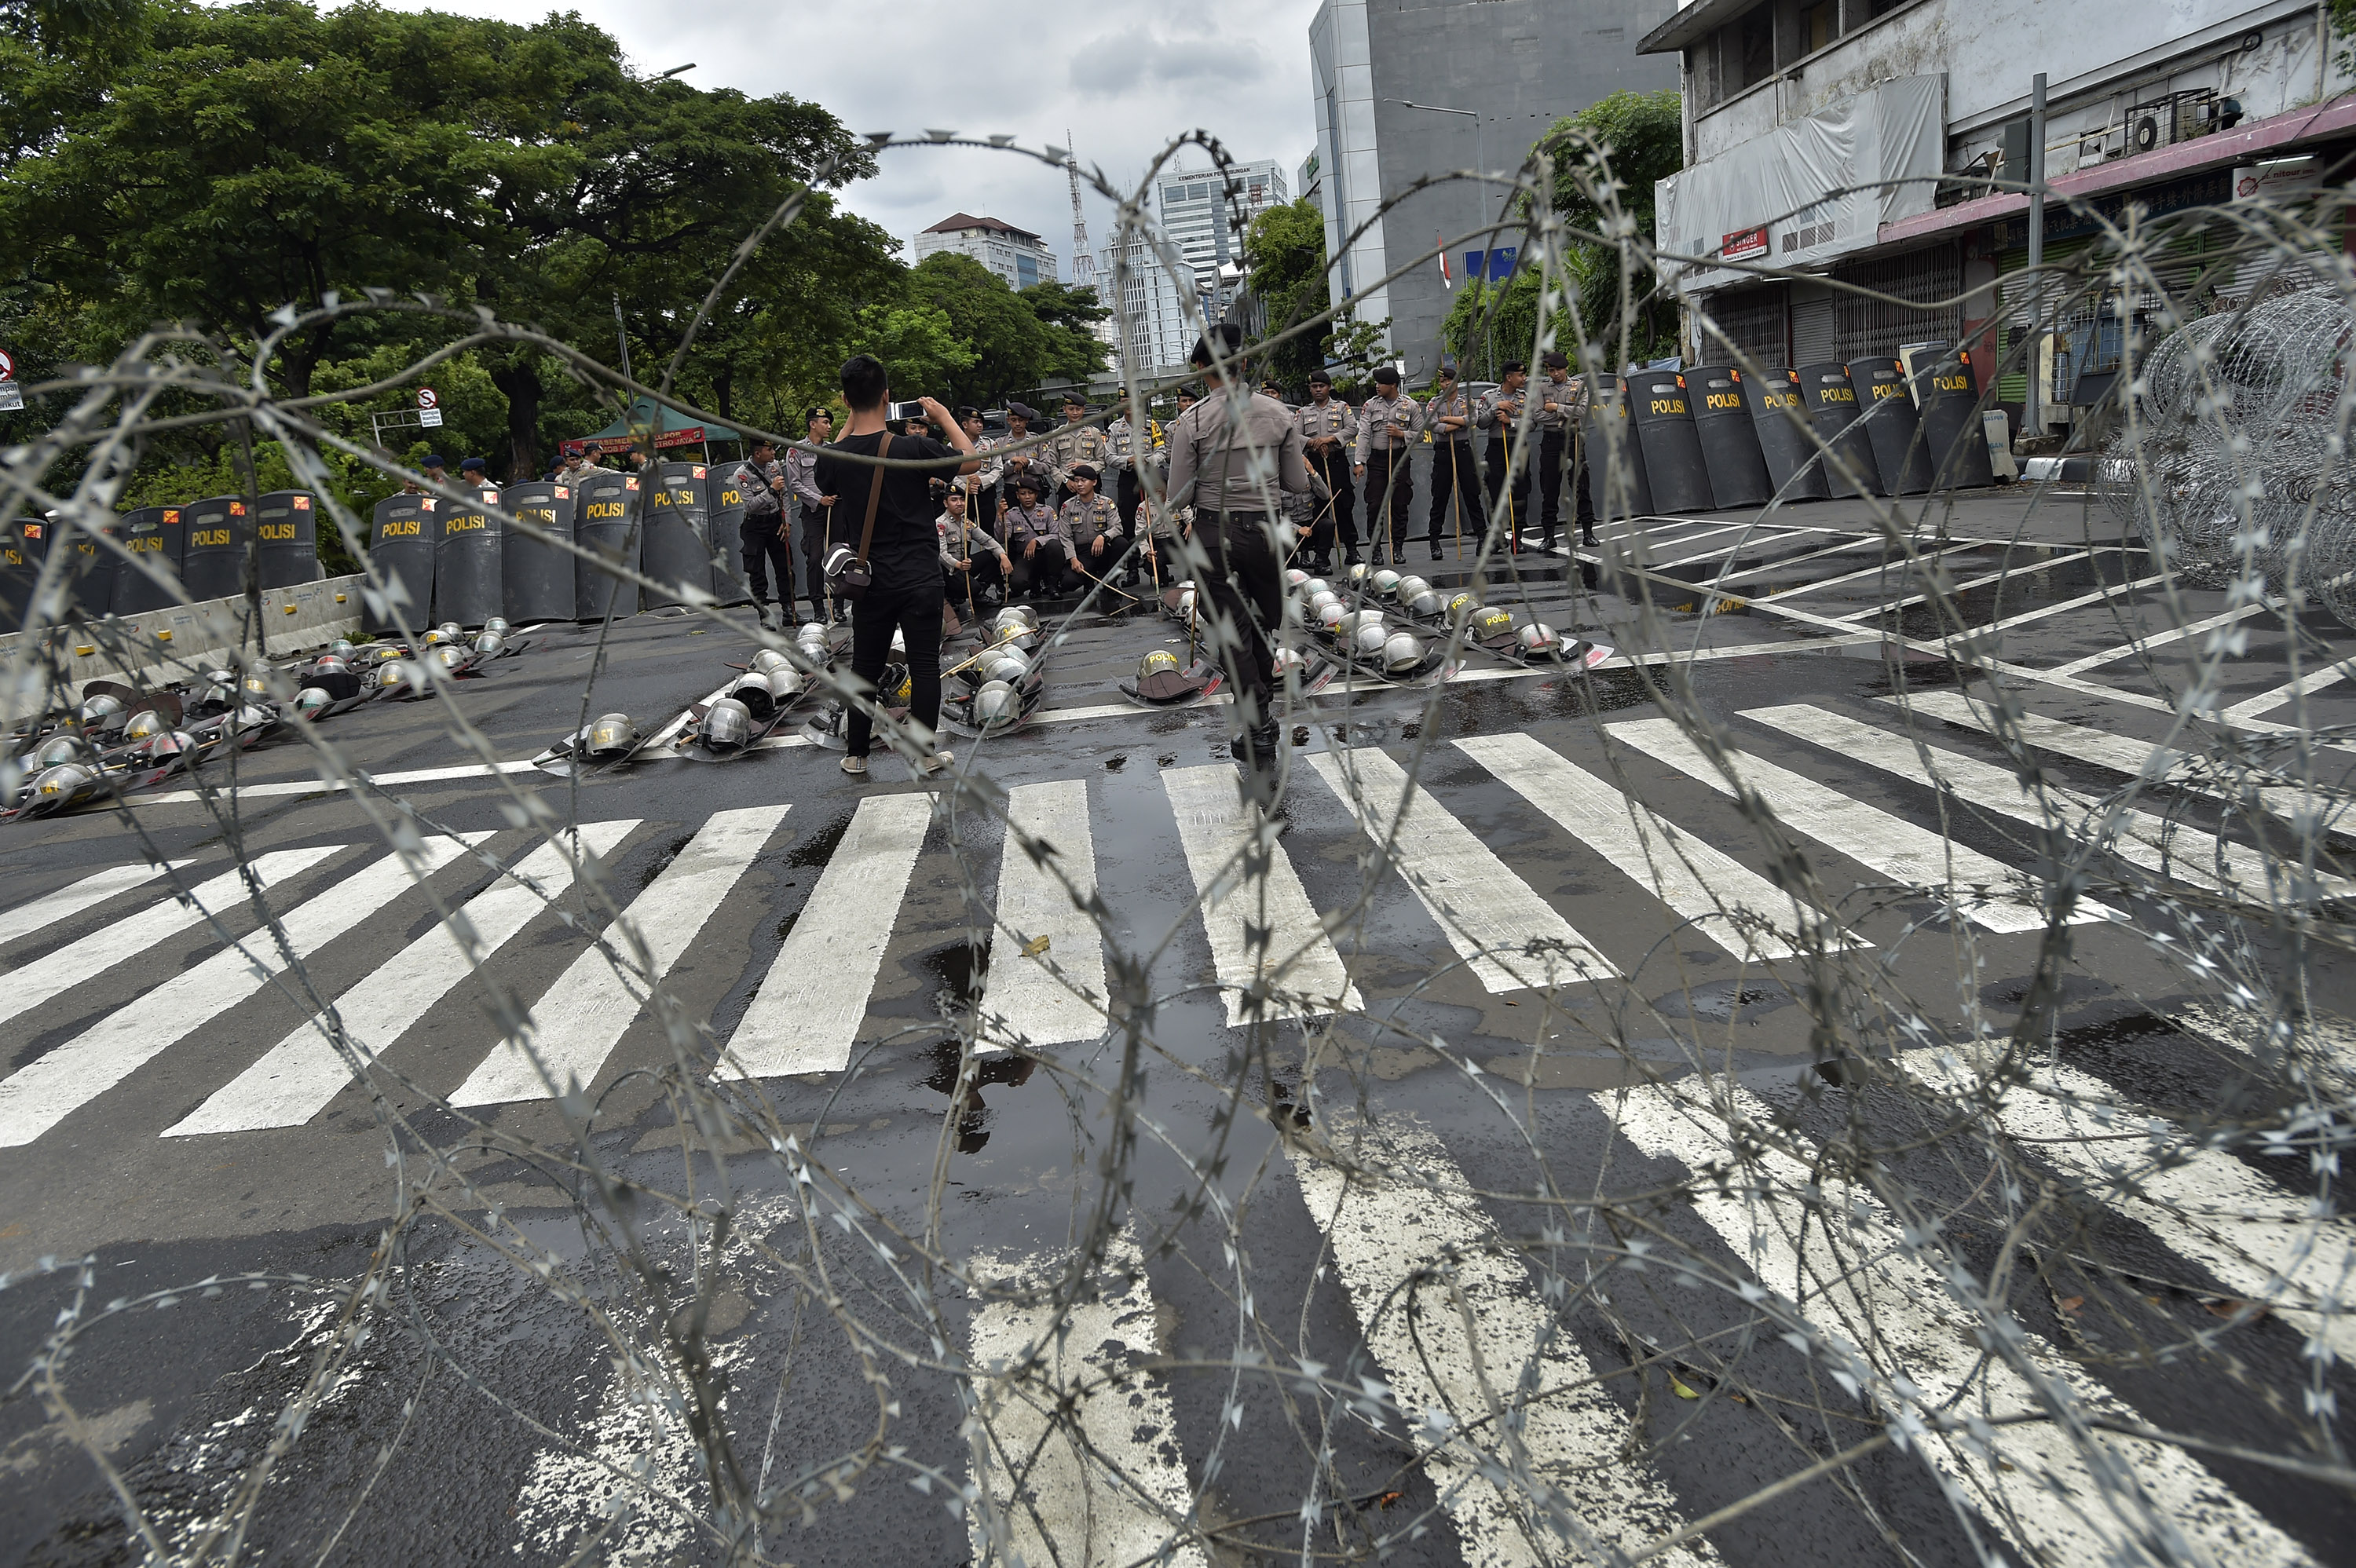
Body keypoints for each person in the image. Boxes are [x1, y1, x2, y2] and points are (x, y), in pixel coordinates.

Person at [1165, 323, 1313, 805]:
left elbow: (1180, 495)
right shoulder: (1278, 412)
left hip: (1214, 534)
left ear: (1199, 370)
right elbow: (1297, 484)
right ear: (1245, 363)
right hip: (1267, 534)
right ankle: (1259, 705)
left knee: (1234, 630)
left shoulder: (1191, 422)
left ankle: (1260, 721)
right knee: (1263, 622)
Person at [811, 356, 976, 778]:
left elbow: (825, 477)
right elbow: (971, 461)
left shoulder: (835, 456)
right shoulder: (913, 447)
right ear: (887, 397)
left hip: (869, 577)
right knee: (923, 665)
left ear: (847, 400)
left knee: (865, 664)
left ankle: (856, 754)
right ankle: (924, 754)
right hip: (919, 572)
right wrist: (940, 417)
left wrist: (851, 418)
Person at [1295, 370, 1357, 572]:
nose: (1318, 390)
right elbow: (1295, 435)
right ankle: (1320, 556)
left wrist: (1328, 440)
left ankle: (1351, 549)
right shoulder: (1303, 412)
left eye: (1321, 386)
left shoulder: (1341, 407)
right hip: (1314, 464)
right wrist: (1313, 442)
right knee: (1317, 509)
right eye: (1314, 387)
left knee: (1343, 505)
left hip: (1336, 461)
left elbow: (1352, 429)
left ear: (1329, 387)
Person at [1352, 367, 1415, 564]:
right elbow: (1363, 433)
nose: (1377, 386)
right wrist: (1359, 462)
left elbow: (1420, 433)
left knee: (1399, 504)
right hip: (1378, 460)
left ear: (1393, 385)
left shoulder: (1409, 405)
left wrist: (1401, 435)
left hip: (1400, 458)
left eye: (1381, 383)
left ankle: (1398, 547)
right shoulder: (1370, 405)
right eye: (1376, 383)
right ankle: (1376, 548)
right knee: (1375, 505)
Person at [1420, 363, 1480, 561]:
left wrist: (1448, 419)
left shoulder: (1467, 401)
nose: (1444, 384)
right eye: (1442, 381)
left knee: (1472, 493)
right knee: (1440, 496)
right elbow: (1432, 424)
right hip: (1444, 450)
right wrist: (1452, 425)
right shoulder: (1434, 402)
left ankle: (1482, 536)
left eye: (1447, 380)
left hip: (1463, 449)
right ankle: (1434, 540)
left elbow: (1472, 419)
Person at [1537, 351, 1597, 548]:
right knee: (1550, 488)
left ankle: (1588, 532)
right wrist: (1565, 414)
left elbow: (1582, 411)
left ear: (1565, 368)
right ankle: (1549, 536)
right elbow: (1537, 415)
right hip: (1551, 439)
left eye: (1558, 370)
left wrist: (1556, 408)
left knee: (1581, 485)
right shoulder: (1542, 387)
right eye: (1551, 370)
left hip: (1573, 439)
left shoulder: (1578, 386)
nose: (1554, 374)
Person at [733, 437, 795, 624]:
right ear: (758, 453)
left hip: (776, 522)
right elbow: (751, 505)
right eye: (770, 450)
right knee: (757, 572)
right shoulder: (742, 475)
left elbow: (784, 496)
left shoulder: (775, 467)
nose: (774, 453)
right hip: (755, 525)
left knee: (785, 567)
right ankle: (764, 615)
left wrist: (787, 522)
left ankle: (789, 611)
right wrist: (771, 490)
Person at [1479, 362, 1534, 553]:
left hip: (1518, 448)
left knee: (1519, 493)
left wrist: (1511, 422)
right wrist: (1495, 408)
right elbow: (1480, 423)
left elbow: (1532, 423)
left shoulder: (1525, 398)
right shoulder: (1489, 397)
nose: (1524, 378)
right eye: (1520, 375)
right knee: (1495, 494)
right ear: (1509, 377)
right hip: (1496, 449)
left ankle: (1517, 539)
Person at [787, 407, 836, 620]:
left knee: (838, 555)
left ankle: (839, 605)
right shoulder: (795, 450)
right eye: (825, 422)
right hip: (813, 510)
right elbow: (795, 484)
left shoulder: (833, 449)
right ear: (812, 424)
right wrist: (819, 499)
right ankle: (818, 608)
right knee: (815, 558)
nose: (829, 426)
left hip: (835, 508)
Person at [938, 485, 1009, 609]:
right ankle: (951, 596)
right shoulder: (941, 524)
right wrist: (958, 565)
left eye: (962, 500)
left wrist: (1003, 555)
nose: (959, 503)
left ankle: (978, 594)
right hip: (949, 570)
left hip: (964, 565)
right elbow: (941, 554)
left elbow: (987, 540)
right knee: (970, 586)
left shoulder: (966, 523)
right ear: (945, 503)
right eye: (954, 500)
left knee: (993, 555)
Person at [1055, 464, 1125, 589]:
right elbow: (1065, 536)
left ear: (1094, 482)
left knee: (1121, 543)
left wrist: (1103, 537)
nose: (1079, 484)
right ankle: (1089, 579)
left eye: (1083, 480)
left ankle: (1110, 580)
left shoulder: (1106, 503)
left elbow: (1117, 527)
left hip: (1102, 549)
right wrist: (1072, 558)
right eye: (1076, 481)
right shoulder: (1068, 506)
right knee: (1069, 583)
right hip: (1081, 553)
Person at [1001, 477, 1070, 598]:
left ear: (1036, 495)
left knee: (1055, 546)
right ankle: (1034, 584)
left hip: (1045, 555)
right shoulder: (1011, 514)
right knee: (1017, 583)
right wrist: (999, 517)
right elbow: (1002, 539)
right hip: (1025, 557)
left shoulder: (1047, 511)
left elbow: (1057, 534)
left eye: (1031, 493)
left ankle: (1052, 585)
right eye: (1023, 494)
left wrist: (1037, 541)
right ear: (1017, 495)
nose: (1027, 497)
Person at [1042, 393, 1109, 509]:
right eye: (1071, 409)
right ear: (1064, 410)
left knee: (1096, 519)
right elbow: (1051, 465)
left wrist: (1085, 466)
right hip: (1067, 485)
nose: (1075, 413)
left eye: (1078, 409)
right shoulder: (1057, 434)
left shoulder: (1094, 433)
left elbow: (1102, 461)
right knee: (1067, 520)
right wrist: (1065, 481)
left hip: (1090, 484)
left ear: (1084, 410)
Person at [956, 407, 999, 542]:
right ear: (965, 424)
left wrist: (981, 481)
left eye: (981, 422)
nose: (980, 425)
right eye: (975, 422)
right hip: (963, 497)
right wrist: (964, 487)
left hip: (985, 494)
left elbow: (998, 469)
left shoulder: (990, 444)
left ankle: (992, 562)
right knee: (963, 536)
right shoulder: (953, 446)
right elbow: (948, 474)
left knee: (988, 535)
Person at [996, 402, 1046, 514]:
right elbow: (998, 472)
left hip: (1034, 489)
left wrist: (1028, 463)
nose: (1018, 424)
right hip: (1012, 490)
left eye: (1021, 420)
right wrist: (1011, 463)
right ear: (1008, 420)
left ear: (1027, 420)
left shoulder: (1037, 440)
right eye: (1014, 420)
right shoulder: (1000, 443)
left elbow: (1046, 467)